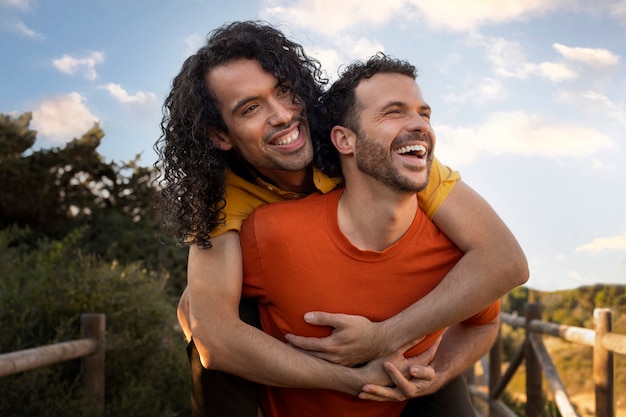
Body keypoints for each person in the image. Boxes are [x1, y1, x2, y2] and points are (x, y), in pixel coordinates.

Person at [154, 21, 528, 416]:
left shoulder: (372, 152)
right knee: (206, 318)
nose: (282, 115)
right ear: (220, 136)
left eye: (284, 92)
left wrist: (386, 338)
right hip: (293, 327)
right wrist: (353, 379)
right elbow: (215, 336)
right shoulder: (218, 198)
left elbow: (504, 260)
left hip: (394, 322)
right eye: (250, 108)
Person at [238, 52, 501, 417]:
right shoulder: (270, 233)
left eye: (424, 114)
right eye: (393, 112)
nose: (420, 125)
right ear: (345, 140)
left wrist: (437, 375)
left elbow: (484, 323)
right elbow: (206, 317)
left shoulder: (456, 252)